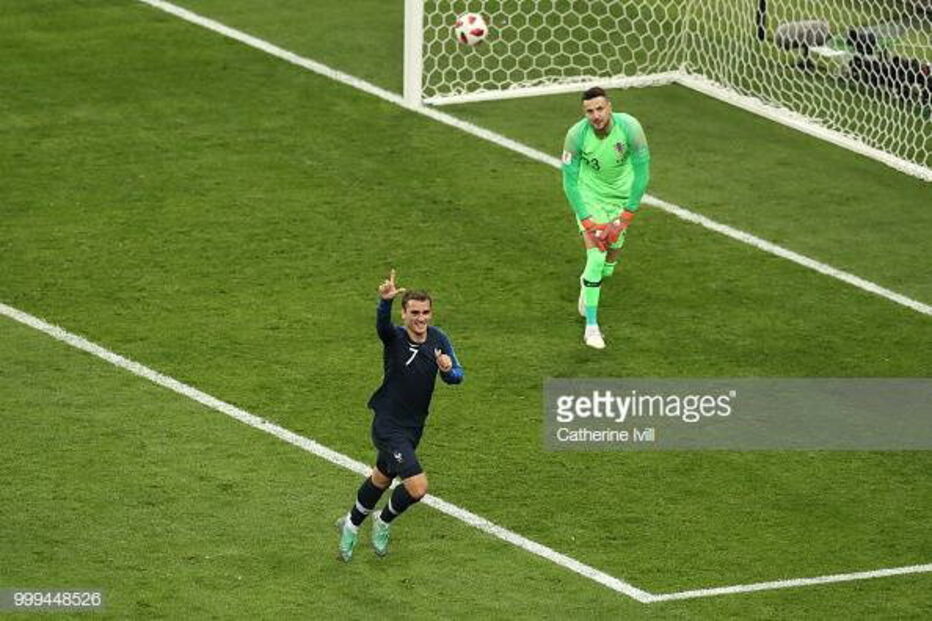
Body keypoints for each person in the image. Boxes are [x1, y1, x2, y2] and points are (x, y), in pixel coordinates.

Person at [337, 269, 464, 561]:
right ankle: (382, 521)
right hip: (388, 425)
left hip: (413, 428)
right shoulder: (394, 338)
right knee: (417, 487)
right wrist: (384, 302)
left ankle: (352, 523)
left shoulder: (438, 339)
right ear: (404, 314)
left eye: (426, 312)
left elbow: (457, 376)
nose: (421, 318)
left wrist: (448, 369)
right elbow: (382, 326)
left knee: (381, 478)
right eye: (415, 312)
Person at [561, 86, 651, 349]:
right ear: (584, 113)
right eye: (590, 111)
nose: (596, 115)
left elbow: (643, 173)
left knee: (608, 267)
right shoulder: (576, 136)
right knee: (596, 257)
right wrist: (588, 221)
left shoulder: (631, 128)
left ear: (610, 106)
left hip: (621, 200)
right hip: (591, 200)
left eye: (600, 109)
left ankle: (587, 284)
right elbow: (570, 183)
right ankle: (591, 326)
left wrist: (625, 217)